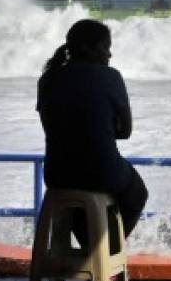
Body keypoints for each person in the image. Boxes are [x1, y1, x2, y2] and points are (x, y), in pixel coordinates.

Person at [36, 19, 147, 248]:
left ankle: (91, 249)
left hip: (57, 175)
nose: (109, 54)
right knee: (137, 192)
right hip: (101, 172)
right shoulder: (110, 77)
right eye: (105, 47)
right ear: (87, 48)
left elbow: (51, 125)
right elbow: (125, 132)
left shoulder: (47, 79)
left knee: (77, 205)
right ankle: (106, 249)